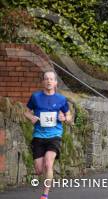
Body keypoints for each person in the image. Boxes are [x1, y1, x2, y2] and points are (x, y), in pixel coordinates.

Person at [24, 70, 72, 199]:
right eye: (47, 79)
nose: (49, 81)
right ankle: (47, 175)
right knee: (39, 170)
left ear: (56, 83)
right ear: (43, 82)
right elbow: (26, 112)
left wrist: (64, 118)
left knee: (48, 162)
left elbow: (69, 116)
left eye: (52, 79)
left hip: (54, 135)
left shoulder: (61, 99)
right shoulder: (35, 97)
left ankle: (45, 194)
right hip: (39, 136)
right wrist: (31, 118)